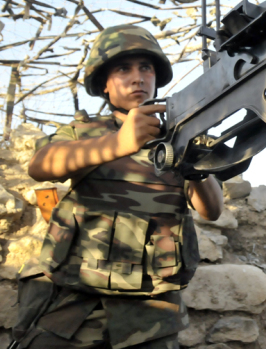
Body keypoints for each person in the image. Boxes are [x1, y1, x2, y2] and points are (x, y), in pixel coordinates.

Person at [14, 24, 223, 349]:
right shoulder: (84, 132)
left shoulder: (178, 139)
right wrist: (117, 142)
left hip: (149, 315)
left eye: (146, 68)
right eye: (123, 69)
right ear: (104, 84)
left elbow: (212, 210)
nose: (137, 77)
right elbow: (41, 165)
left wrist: (194, 164)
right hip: (72, 305)